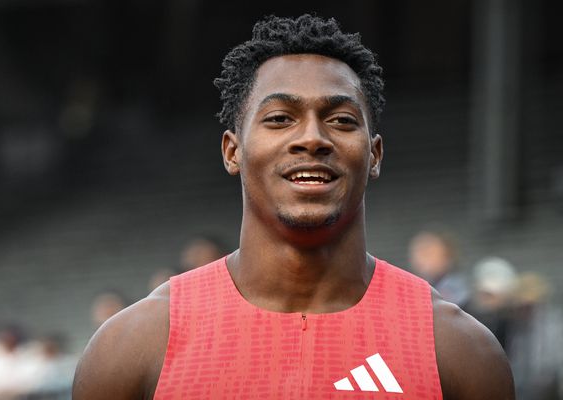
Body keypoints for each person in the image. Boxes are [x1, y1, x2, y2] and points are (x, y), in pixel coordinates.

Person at [73, 14, 514, 399]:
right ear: (232, 151)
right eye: (280, 118)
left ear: (375, 155)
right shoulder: (133, 346)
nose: (312, 138)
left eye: (341, 120)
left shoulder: (457, 350)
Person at [408, 229, 470, 308]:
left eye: (427, 251)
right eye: (416, 251)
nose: (419, 256)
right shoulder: (411, 288)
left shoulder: (460, 290)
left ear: (447, 255)